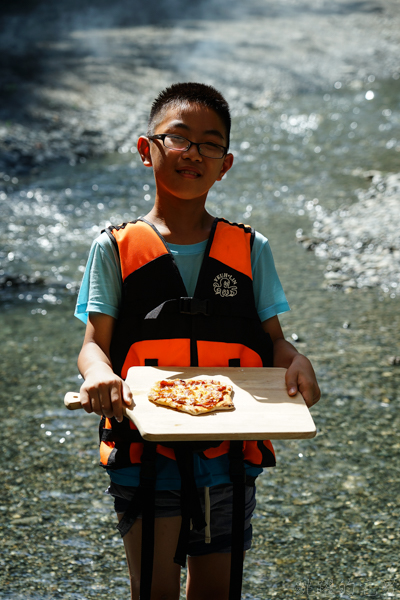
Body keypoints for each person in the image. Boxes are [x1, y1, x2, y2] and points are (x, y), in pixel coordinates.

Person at [75, 82, 320, 600]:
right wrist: (98, 373)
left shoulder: (251, 248)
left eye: (210, 144)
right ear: (147, 149)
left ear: (225, 164)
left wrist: (296, 360)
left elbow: (274, 341)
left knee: (217, 590)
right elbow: (94, 344)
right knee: (153, 588)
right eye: (179, 139)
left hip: (227, 458)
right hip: (145, 454)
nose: (194, 154)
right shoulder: (113, 247)